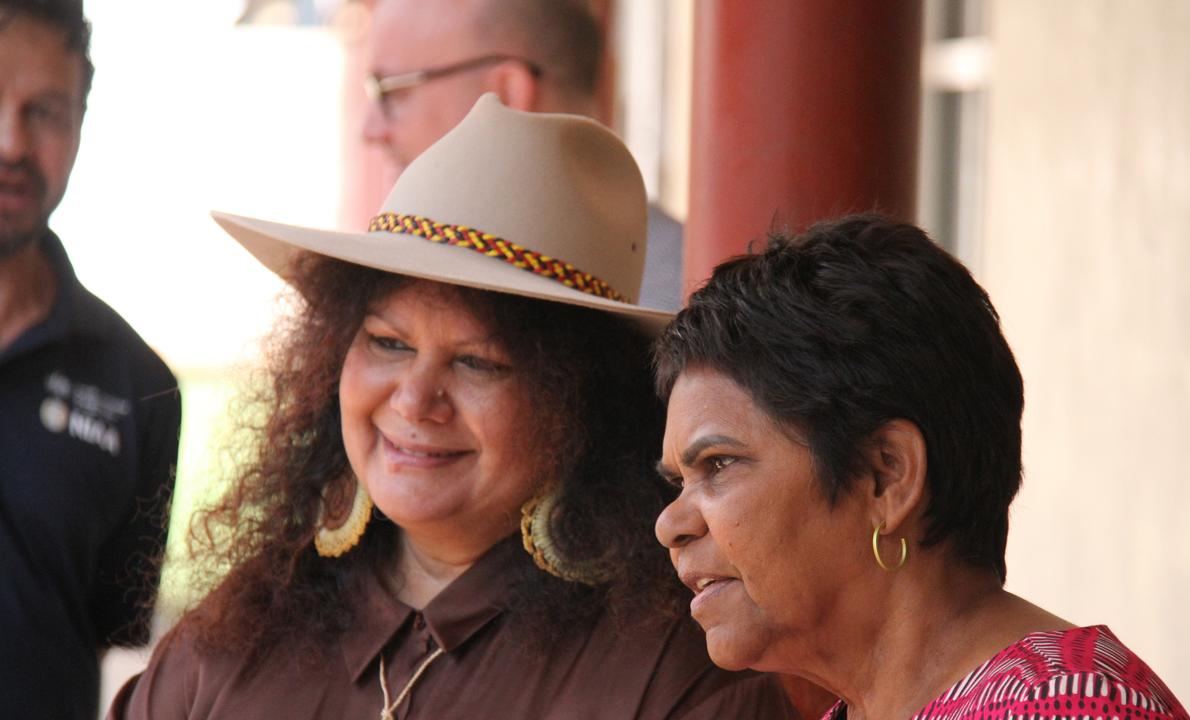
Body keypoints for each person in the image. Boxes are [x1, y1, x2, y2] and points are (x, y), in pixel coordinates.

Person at [109, 95, 794, 718]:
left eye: (477, 362)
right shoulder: (231, 641)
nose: (414, 400)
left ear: (581, 405)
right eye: (386, 342)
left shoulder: (681, 674)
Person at [653, 215, 1190, 720]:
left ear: (886, 476)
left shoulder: (1067, 707)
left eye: (718, 464)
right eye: (679, 480)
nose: (670, 524)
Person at [0, 1, 181, 717]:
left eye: (44, 111)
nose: (10, 141)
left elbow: (115, 627)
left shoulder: (139, 388)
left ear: (80, 125)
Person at [361, 0, 684, 312]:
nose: (370, 130)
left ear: (507, 93)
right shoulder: (676, 279)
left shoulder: (677, 312)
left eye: (391, 92)